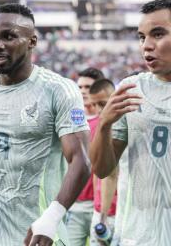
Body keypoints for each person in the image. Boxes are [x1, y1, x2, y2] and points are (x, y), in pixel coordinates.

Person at [0, 3, 90, 246]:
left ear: (32, 41)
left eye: (9, 36)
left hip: (37, 235)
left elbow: (81, 160)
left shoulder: (59, 90)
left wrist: (52, 218)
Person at [90, 0, 171, 245]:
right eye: (141, 37)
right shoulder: (130, 89)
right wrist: (104, 124)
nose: (146, 46)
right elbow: (102, 169)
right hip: (138, 236)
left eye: (158, 34)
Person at [67, 67, 104, 246]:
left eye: (88, 87)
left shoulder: (109, 120)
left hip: (101, 205)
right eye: (80, 87)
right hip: (75, 203)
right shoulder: (69, 121)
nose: (82, 91)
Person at [87, 79, 117, 245]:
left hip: (119, 212)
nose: (99, 110)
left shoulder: (124, 128)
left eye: (103, 103)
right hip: (99, 211)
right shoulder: (98, 128)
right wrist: (97, 210)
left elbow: (112, 174)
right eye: (95, 105)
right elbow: (97, 172)